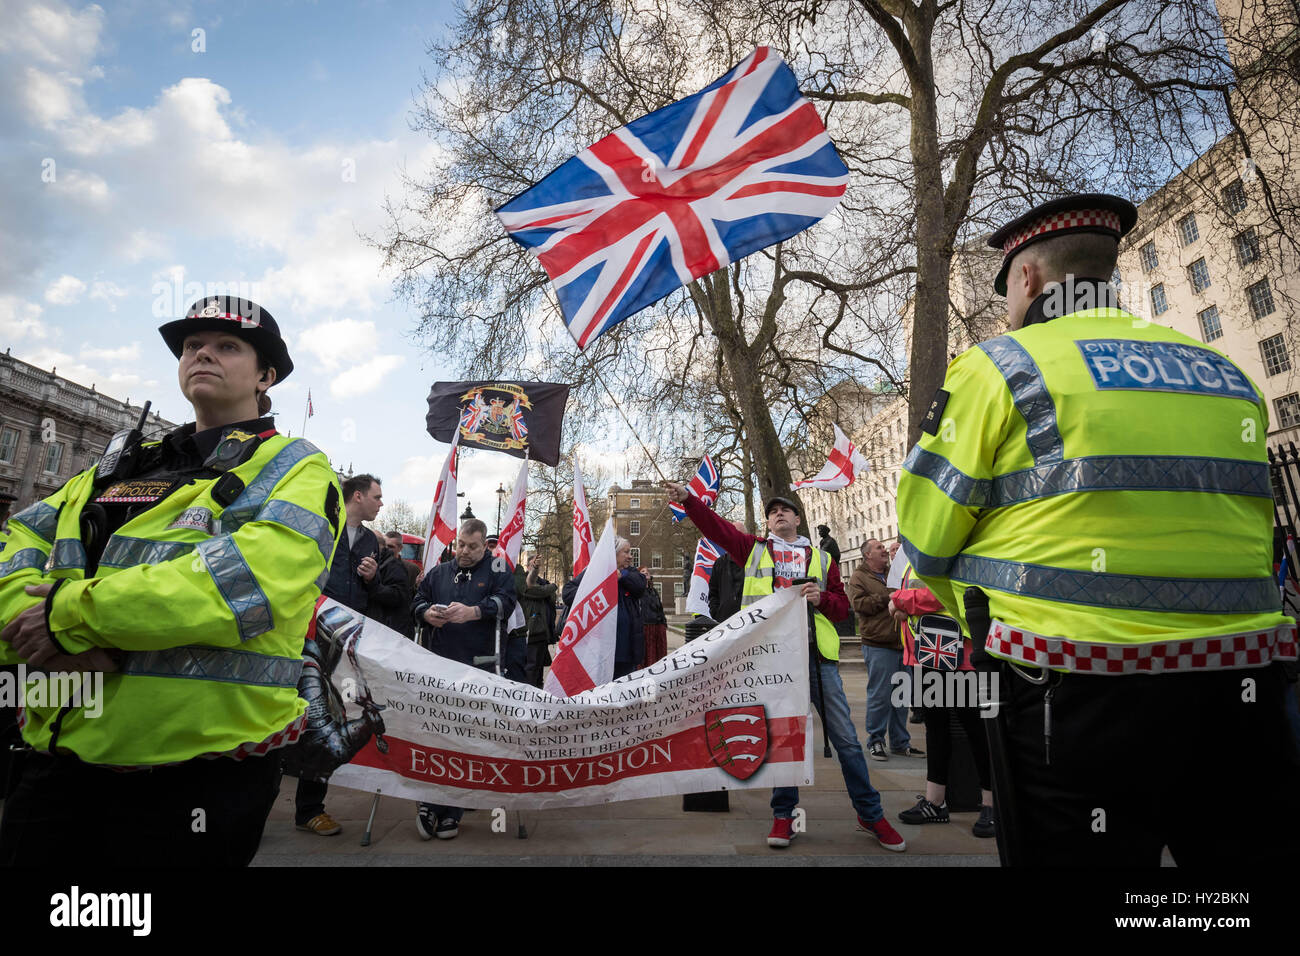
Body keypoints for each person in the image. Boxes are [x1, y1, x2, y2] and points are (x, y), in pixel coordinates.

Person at [897, 193, 1299, 866]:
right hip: (1242, 685)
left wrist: (982, 616)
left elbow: (927, 537)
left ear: (1027, 278)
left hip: (1076, 692)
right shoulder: (1226, 376)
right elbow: (1258, 530)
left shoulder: (1001, 366)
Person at [0, 295, 341, 866]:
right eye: (190, 346)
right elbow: (19, 544)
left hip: (196, 774)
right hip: (53, 755)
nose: (202, 353)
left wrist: (69, 618)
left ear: (266, 376)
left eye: (226, 346)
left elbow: (246, 585)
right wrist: (30, 630)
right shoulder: (117, 464)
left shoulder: (296, 468)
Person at [665, 484, 906, 852]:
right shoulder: (754, 550)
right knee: (782, 740)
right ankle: (785, 815)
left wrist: (821, 597)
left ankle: (870, 813)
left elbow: (843, 610)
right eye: (772, 511)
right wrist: (689, 500)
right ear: (768, 523)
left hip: (817, 660)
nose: (778, 514)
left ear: (797, 518)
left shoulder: (823, 558)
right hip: (773, 661)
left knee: (846, 741)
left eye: (785, 510)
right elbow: (716, 528)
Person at [292, 471, 385, 837]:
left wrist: (372, 577)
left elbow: (372, 593)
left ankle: (310, 808)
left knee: (329, 719)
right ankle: (263, 803)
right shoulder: (321, 528)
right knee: (300, 720)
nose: (381, 503)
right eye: (377, 496)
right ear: (358, 496)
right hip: (306, 639)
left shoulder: (369, 541)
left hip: (344, 646)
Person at [410, 518, 516, 839]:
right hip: (437, 664)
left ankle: (451, 810)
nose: (464, 552)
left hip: (477, 665)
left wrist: (474, 611)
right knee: (433, 736)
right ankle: (428, 804)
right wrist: (426, 613)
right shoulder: (440, 572)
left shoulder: (497, 570)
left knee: (463, 738)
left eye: (472, 546)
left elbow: (506, 601)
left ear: (485, 545)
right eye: (460, 545)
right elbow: (417, 601)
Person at [889, 566, 994, 838]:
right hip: (931, 654)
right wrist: (904, 608)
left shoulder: (948, 545)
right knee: (936, 730)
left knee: (979, 733)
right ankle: (935, 802)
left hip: (964, 656)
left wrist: (900, 601)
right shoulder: (916, 552)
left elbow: (946, 593)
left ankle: (992, 805)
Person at [847, 538, 920, 760]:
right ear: (867, 554)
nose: (885, 551)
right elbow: (859, 605)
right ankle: (876, 741)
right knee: (880, 695)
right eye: (879, 548)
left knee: (900, 696)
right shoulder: (859, 577)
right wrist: (887, 597)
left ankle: (900, 742)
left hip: (902, 643)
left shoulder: (894, 572)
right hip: (878, 645)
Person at [563, 538, 645, 679]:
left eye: (630, 552)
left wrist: (621, 576)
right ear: (614, 553)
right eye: (626, 552)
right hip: (599, 651)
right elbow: (568, 593)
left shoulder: (631, 573)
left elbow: (640, 585)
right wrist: (597, 584)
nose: (630, 556)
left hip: (625, 651)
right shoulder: (595, 571)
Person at [513, 553, 558, 688]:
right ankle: (529, 695)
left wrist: (548, 589)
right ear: (528, 566)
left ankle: (539, 693)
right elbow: (537, 591)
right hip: (532, 632)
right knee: (531, 669)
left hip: (543, 632)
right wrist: (553, 586)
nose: (537, 565)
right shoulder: (523, 581)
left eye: (539, 563)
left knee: (539, 669)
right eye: (534, 564)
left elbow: (551, 598)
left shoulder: (543, 582)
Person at [641, 569, 668, 667]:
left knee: (659, 655)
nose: (646, 572)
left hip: (658, 625)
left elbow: (660, 608)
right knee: (647, 655)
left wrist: (663, 623)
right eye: (643, 571)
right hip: (646, 625)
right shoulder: (638, 591)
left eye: (647, 571)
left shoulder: (653, 591)